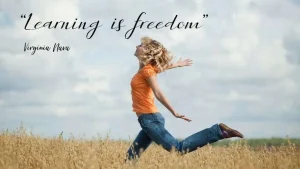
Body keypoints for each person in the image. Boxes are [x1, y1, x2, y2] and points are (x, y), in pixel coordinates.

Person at [125, 36, 244, 162]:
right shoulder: (145, 69)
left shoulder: (147, 71)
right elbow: (159, 68)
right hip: (148, 120)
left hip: (150, 120)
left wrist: (174, 112)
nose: (137, 46)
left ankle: (218, 131)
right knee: (131, 157)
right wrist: (177, 64)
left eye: (140, 45)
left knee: (178, 148)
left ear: (147, 51)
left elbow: (158, 92)